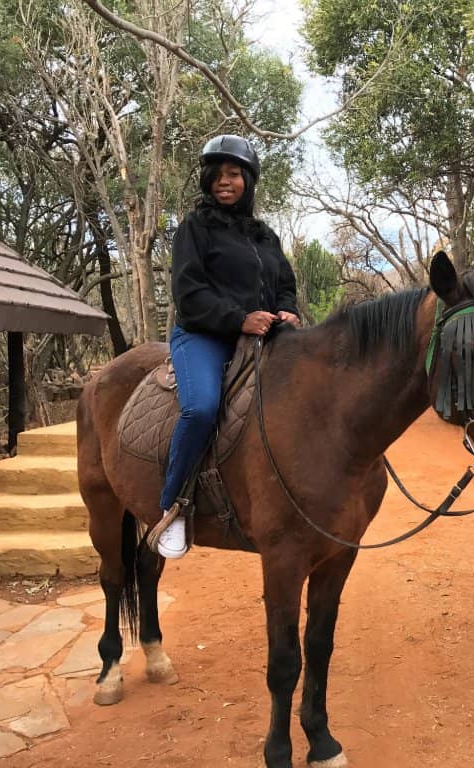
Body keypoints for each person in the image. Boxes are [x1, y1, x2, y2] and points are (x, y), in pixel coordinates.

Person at [155, 134, 300, 559]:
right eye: (217, 174)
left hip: (264, 335)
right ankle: (173, 506)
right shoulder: (194, 228)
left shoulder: (265, 236)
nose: (224, 181)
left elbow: (284, 284)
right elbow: (189, 293)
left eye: (234, 174)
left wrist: (287, 311)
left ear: (248, 180)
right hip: (204, 335)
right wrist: (239, 319)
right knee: (201, 409)